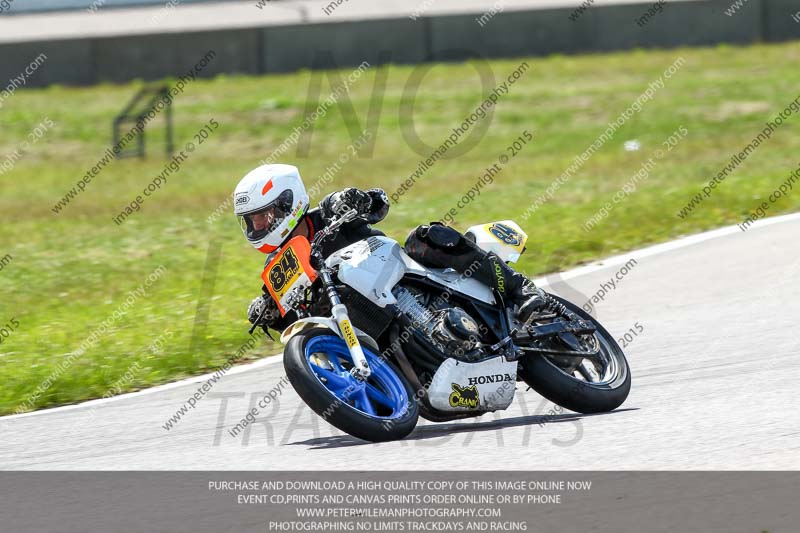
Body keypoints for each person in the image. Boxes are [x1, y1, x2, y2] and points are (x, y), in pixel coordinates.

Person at [235, 164, 545, 335]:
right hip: (368, 323)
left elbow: (379, 204)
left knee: (424, 237)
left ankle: (520, 289)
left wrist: (358, 199)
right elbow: (300, 324)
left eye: (263, 217)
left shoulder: (327, 211)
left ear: (287, 204)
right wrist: (271, 314)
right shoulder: (280, 267)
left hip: (399, 276)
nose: (258, 227)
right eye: (251, 222)